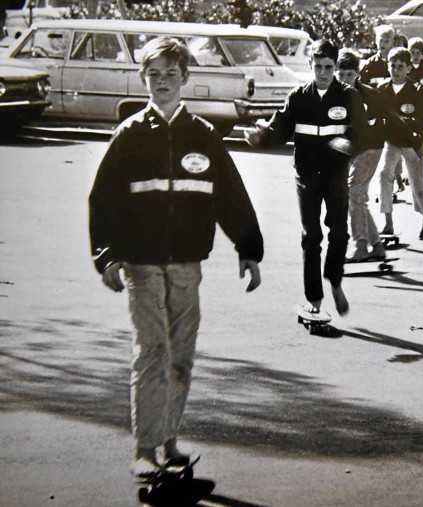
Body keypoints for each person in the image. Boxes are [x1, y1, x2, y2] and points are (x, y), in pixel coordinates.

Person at [88, 37, 263, 479]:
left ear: (185, 77)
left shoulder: (202, 135)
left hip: (187, 263)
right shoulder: (129, 135)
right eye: (154, 74)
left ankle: (169, 442)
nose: (162, 81)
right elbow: (103, 199)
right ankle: (145, 451)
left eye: (170, 74)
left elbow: (230, 195)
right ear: (143, 78)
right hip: (141, 263)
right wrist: (106, 254)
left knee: (181, 354)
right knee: (153, 351)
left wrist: (248, 248)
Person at [245, 39, 368, 316]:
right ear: (311, 65)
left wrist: (350, 145)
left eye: (328, 67)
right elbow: (278, 130)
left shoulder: (348, 96)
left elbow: (363, 133)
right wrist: (260, 138)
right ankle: (314, 298)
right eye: (318, 67)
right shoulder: (298, 96)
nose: (323, 73)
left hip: (335, 173)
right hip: (307, 174)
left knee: (339, 231)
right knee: (311, 236)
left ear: (335, 67)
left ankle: (335, 281)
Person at [376, 47, 423, 240]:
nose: (396, 70)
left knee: (417, 184)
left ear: (409, 68)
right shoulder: (382, 89)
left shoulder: (415, 90)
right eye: (392, 65)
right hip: (392, 141)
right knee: (384, 175)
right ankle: (388, 222)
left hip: (412, 143)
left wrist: (419, 144)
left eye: (401, 66)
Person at [337, 49, 387, 261]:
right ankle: (376, 245)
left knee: (354, 193)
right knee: (357, 197)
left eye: (349, 74)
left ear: (358, 74)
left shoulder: (363, 95)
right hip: (356, 149)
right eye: (341, 74)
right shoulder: (337, 93)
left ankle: (361, 246)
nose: (344, 78)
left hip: (369, 148)